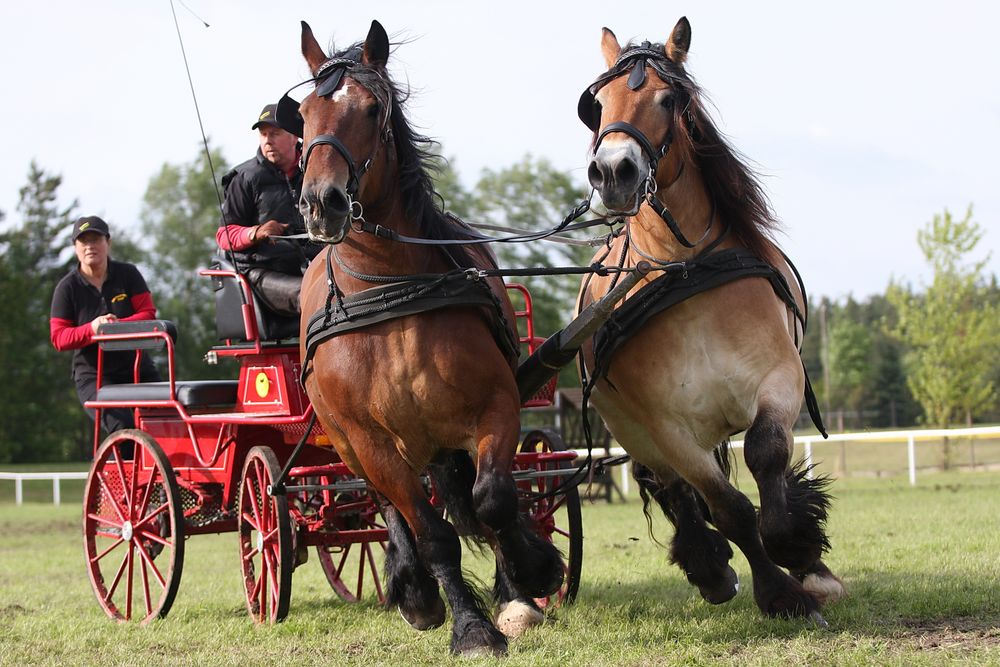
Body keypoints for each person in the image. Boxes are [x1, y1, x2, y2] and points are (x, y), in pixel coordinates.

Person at [50, 216, 162, 435]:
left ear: (107, 243)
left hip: (137, 367)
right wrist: (93, 329)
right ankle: (122, 468)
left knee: (165, 420)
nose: (90, 246)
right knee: (122, 426)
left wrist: (116, 326)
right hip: (94, 375)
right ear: (75, 247)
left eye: (96, 239)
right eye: (83, 241)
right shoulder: (67, 288)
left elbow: (148, 315)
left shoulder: (128, 274)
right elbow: (59, 337)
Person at [216, 103, 319, 317]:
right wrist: (255, 232)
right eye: (263, 134)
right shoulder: (244, 178)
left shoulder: (316, 172)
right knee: (315, 295)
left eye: (274, 133)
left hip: (312, 266)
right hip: (261, 272)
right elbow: (224, 235)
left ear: (294, 136)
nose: (267, 140)